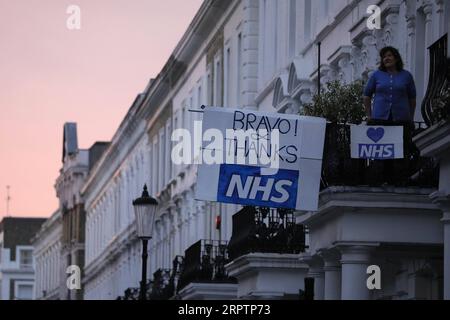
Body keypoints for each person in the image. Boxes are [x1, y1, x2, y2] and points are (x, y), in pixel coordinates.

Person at [362, 47, 417, 185]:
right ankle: (380, 179)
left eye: (389, 55)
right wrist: (369, 115)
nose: (386, 58)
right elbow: (366, 95)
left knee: (400, 150)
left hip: (401, 119)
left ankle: (398, 180)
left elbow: (412, 98)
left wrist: (410, 117)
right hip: (380, 118)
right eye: (384, 56)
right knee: (382, 149)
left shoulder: (406, 76)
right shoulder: (376, 75)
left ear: (396, 58)